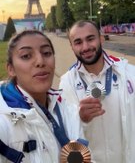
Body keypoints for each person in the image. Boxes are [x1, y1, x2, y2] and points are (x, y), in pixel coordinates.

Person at [0, 29, 90, 163]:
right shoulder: (3, 122)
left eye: (46, 53)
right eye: (26, 56)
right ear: (11, 69)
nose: (40, 62)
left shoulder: (67, 109)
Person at [59, 20, 135, 163]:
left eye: (90, 39)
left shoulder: (129, 73)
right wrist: (80, 118)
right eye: (78, 42)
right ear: (71, 46)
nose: (85, 47)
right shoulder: (67, 82)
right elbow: (65, 132)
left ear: (101, 38)